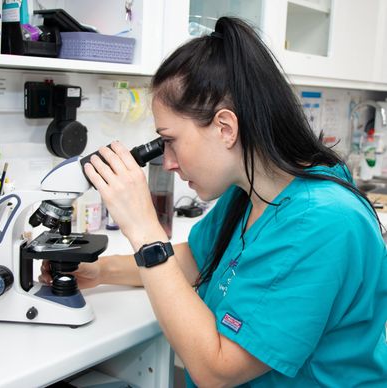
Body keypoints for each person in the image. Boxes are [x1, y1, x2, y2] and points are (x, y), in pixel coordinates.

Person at [40, 17, 387, 387]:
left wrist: (143, 229)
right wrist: (101, 271)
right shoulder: (252, 189)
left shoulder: (322, 222)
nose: (168, 161)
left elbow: (217, 370)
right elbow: (199, 260)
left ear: (225, 128)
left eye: (170, 140)